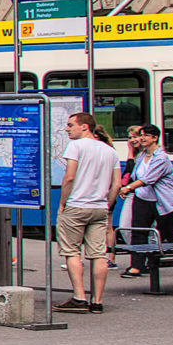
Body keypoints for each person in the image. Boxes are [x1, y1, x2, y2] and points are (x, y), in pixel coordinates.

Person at [52, 114, 120, 316]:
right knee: (99, 254)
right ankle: (97, 301)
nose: (67, 129)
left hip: (76, 205)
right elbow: (116, 184)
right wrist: (107, 204)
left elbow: (69, 177)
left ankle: (79, 297)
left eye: (70, 125)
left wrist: (63, 202)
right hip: (99, 208)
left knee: (72, 252)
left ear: (84, 127)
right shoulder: (110, 151)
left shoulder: (76, 146)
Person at [113, 125, 173, 277]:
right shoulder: (142, 155)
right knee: (139, 232)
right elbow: (133, 174)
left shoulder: (161, 158)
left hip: (163, 202)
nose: (141, 138)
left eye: (145, 136)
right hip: (143, 198)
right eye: (141, 135)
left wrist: (128, 188)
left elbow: (148, 179)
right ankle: (137, 266)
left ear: (155, 138)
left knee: (170, 234)